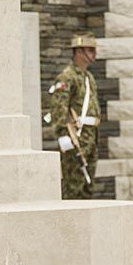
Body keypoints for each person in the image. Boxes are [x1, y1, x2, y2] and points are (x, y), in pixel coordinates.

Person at [49, 32, 101, 199]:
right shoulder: (67, 76)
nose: (94, 54)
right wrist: (62, 135)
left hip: (91, 136)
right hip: (75, 137)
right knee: (74, 185)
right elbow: (59, 108)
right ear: (79, 52)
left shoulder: (89, 77)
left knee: (87, 185)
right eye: (90, 50)